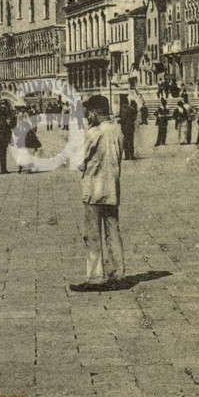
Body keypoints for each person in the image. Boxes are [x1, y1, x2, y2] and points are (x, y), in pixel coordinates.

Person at [70, 95, 125, 292]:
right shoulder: (117, 131)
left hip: (94, 190)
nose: (86, 115)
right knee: (113, 233)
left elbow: (79, 161)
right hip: (112, 189)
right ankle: (118, 274)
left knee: (92, 235)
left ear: (94, 111)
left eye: (88, 112)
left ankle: (95, 277)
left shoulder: (94, 133)